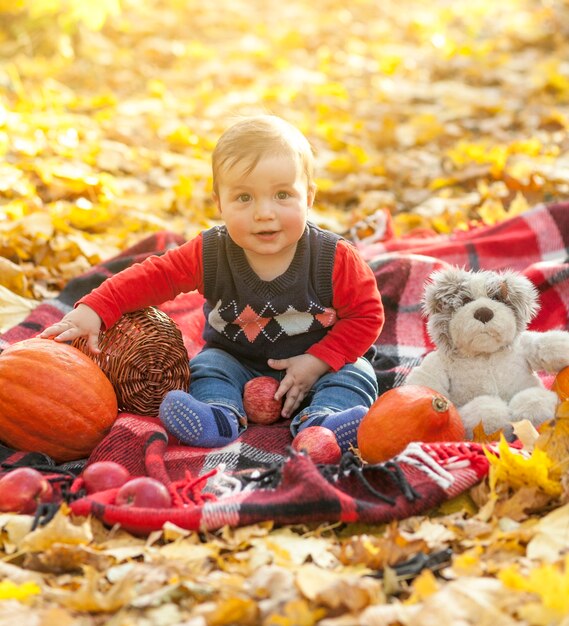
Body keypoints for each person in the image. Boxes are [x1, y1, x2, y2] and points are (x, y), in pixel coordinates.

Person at [41, 115, 384, 452]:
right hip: (237, 358)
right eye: (244, 198)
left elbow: (367, 316)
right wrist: (97, 307)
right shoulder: (212, 253)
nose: (264, 212)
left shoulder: (334, 258)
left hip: (319, 361)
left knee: (355, 373)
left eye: (282, 195)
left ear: (308, 197)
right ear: (219, 203)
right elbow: (156, 275)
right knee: (207, 368)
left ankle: (324, 423)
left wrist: (319, 360)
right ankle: (218, 416)